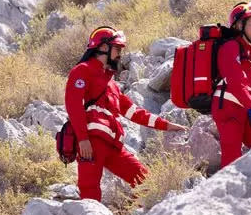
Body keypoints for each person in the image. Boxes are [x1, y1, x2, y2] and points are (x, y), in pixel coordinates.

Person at [65, 26, 187, 201]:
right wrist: (83, 139)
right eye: (117, 49)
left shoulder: (111, 83)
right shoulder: (82, 70)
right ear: (104, 48)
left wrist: (166, 125)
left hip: (113, 146)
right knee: (89, 190)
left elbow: (134, 112)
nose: (120, 53)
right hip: (91, 143)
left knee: (145, 181)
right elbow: (73, 104)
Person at [212, 1, 251, 168]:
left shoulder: (246, 53)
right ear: (239, 25)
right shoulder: (230, 47)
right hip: (228, 109)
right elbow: (236, 80)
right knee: (232, 158)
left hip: (245, 109)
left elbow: (249, 87)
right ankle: (226, 193)